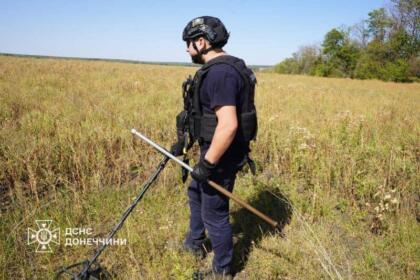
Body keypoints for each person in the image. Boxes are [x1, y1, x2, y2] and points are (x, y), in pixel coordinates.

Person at [171, 16, 258, 279]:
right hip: (216, 147)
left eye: (189, 43)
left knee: (215, 212)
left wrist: (207, 164)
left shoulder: (220, 74)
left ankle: (222, 270)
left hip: (222, 153)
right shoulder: (226, 68)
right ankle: (194, 245)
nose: (186, 49)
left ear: (202, 42)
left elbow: (228, 125)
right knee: (196, 192)